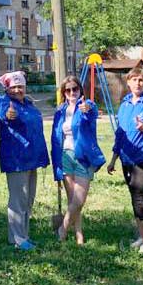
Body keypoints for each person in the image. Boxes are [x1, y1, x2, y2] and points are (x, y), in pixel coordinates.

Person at [106, 67, 143, 254]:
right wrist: (114, 158)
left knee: (139, 197)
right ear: (128, 82)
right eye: (134, 80)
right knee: (135, 198)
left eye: (141, 80)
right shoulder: (124, 105)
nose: (138, 83)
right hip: (127, 159)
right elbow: (120, 134)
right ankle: (141, 236)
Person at [0, 71, 49, 250]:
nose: (18, 90)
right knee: (18, 200)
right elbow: (5, 114)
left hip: (32, 158)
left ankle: (23, 236)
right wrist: (9, 114)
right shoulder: (5, 103)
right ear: (7, 89)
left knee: (28, 199)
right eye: (13, 87)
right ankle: (18, 239)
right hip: (17, 159)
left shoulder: (28, 103)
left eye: (21, 86)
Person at [51, 75, 105, 245]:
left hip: (83, 157)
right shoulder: (60, 111)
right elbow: (55, 137)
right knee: (72, 200)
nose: (72, 92)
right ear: (64, 92)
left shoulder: (87, 106)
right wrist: (56, 165)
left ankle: (62, 229)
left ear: (80, 90)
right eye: (68, 90)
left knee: (79, 199)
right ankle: (79, 235)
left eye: (75, 88)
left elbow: (91, 113)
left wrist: (86, 108)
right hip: (65, 156)